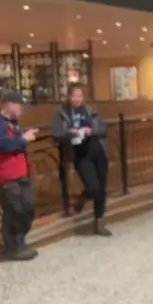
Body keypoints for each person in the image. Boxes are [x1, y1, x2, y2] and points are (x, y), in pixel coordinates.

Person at [52, 83, 112, 236]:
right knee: (93, 188)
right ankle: (81, 198)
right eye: (74, 95)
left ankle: (99, 222)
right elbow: (57, 134)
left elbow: (103, 129)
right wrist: (69, 132)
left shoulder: (91, 110)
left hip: (97, 151)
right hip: (80, 154)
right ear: (69, 96)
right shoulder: (62, 113)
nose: (77, 99)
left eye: (80, 96)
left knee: (101, 189)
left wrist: (90, 130)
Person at [0, 91, 38, 261]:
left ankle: (19, 241)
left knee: (28, 207)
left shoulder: (13, 124)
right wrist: (23, 139)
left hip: (22, 174)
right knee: (14, 211)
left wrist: (23, 138)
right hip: (7, 176)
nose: (22, 110)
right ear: (9, 105)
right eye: (20, 106)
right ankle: (13, 247)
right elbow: (3, 145)